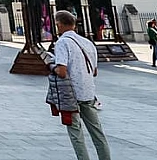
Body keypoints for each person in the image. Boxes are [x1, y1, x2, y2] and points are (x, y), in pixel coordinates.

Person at [44, 10, 109, 160]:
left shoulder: (62, 42)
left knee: (76, 134)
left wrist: (50, 66)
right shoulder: (88, 43)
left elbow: (62, 71)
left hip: (71, 94)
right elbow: (94, 71)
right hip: (88, 92)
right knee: (97, 132)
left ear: (59, 24)